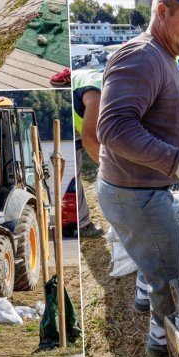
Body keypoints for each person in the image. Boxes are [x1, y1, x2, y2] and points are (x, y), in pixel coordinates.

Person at [96, 0, 179, 357]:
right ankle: (162, 344)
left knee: (154, 258)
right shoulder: (142, 56)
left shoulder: (161, 56)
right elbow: (112, 128)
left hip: (140, 190)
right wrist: (175, 160)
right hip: (137, 195)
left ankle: (145, 297)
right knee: (172, 275)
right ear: (162, 12)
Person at [71, 70, 105, 238]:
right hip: (64, 121)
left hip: (75, 110)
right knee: (72, 173)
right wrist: (114, 171)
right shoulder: (97, 96)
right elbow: (90, 141)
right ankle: (81, 224)